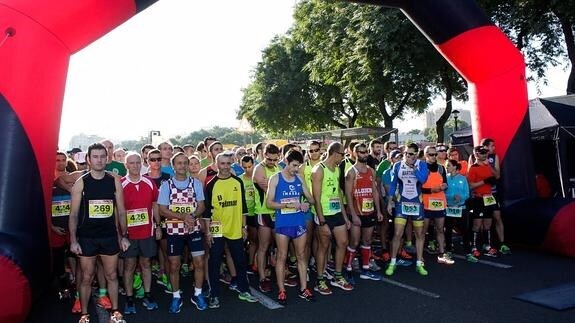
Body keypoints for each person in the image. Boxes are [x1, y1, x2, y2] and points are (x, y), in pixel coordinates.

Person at [68, 143, 129, 323]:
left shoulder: (114, 180)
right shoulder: (81, 182)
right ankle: (84, 314)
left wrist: (123, 235)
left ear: (107, 158)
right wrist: (73, 240)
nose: (99, 160)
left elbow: (121, 211)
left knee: (111, 275)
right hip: (87, 237)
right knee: (87, 277)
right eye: (95, 156)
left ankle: (116, 312)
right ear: (88, 159)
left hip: (109, 236)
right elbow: (73, 214)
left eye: (102, 156)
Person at [203, 152, 258, 308]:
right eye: (222, 163)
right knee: (214, 262)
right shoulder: (211, 184)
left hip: (235, 227)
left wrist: (244, 226)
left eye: (228, 163)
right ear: (217, 164)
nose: (225, 167)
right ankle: (214, 295)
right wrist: (208, 232)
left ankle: (244, 290)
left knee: (240, 261)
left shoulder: (237, 182)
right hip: (217, 228)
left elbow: (243, 207)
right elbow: (207, 212)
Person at [158, 152, 208, 313]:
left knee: (199, 262)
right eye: (178, 163)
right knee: (174, 265)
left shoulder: (196, 183)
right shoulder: (166, 185)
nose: (182, 166)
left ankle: (198, 294)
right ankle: (176, 296)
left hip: (193, 229)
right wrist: (182, 216)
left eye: (185, 163)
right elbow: (162, 210)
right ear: (173, 166)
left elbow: (201, 206)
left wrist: (192, 216)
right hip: (174, 231)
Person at [266, 150, 316, 304]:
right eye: (294, 165)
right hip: (283, 223)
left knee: (301, 256)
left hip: (298, 222)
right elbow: (269, 203)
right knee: (282, 256)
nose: (296, 169)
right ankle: (281, 290)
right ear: (286, 162)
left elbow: (311, 199)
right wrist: (287, 204)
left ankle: (304, 288)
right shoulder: (275, 178)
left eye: (298, 166)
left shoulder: (300, 179)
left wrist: (307, 203)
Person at [120, 152, 161, 314]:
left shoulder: (150, 182)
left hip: (147, 232)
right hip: (129, 234)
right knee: (129, 266)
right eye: (132, 163)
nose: (135, 165)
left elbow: (155, 205)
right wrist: (121, 233)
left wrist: (158, 225)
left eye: (138, 162)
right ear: (126, 165)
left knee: (146, 264)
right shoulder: (121, 184)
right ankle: (129, 298)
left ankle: (148, 294)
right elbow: (118, 210)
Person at [312, 142, 353, 295]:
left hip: (336, 212)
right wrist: (322, 221)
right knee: (323, 246)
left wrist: (344, 216)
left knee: (343, 242)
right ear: (335, 153)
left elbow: (337, 194)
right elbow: (316, 198)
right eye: (343, 154)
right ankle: (320, 279)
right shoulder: (319, 170)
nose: (344, 157)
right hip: (324, 214)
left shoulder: (336, 169)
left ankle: (337, 275)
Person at [385, 143, 429, 276]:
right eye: (405, 153)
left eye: (410, 154)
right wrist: (389, 201)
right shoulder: (397, 165)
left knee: (419, 234)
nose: (407, 156)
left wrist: (413, 168)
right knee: (397, 233)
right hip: (401, 203)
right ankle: (392, 262)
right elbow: (393, 184)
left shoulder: (422, 164)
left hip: (417, 203)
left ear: (416, 154)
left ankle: (419, 263)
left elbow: (423, 180)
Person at [344, 143, 384, 281]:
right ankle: (348, 269)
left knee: (367, 240)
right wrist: (353, 215)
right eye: (361, 152)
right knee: (354, 241)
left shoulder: (371, 171)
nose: (364, 154)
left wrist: (378, 210)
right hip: (356, 212)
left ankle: (366, 269)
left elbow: (374, 191)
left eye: (366, 152)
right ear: (355, 154)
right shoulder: (351, 172)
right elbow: (348, 195)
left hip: (370, 211)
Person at [253, 144, 282, 293]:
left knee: (279, 246)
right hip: (264, 212)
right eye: (268, 159)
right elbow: (271, 191)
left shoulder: (279, 168)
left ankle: (280, 274)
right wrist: (275, 185)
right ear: (263, 155)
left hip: (277, 212)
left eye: (274, 159)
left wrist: (272, 184)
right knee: (263, 246)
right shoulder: (259, 168)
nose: (271, 162)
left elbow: (280, 189)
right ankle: (262, 278)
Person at [421, 146, 453, 266]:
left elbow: (445, 183)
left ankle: (442, 253)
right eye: (431, 154)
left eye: (435, 154)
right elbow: (418, 187)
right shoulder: (421, 168)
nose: (434, 157)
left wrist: (444, 186)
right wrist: (432, 190)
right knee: (423, 231)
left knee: (440, 229)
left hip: (439, 202)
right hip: (425, 203)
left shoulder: (441, 168)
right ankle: (420, 255)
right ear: (425, 155)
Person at [467, 145, 499, 258]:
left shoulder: (487, 166)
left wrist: (490, 166)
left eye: (485, 152)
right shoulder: (473, 168)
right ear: (476, 154)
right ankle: (474, 246)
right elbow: (470, 186)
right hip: (478, 198)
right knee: (477, 224)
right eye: (481, 153)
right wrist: (484, 181)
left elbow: (497, 176)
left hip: (489, 197)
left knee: (488, 223)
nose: (484, 154)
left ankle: (487, 245)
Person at [481, 138, 510, 254]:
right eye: (492, 146)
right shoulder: (474, 157)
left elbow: (497, 175)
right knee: (483, 219)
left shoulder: (494, 157)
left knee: (497, 216)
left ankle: (502, 243)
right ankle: (485, 243)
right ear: (485, 147)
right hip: (480, 194)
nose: (494, 148)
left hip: (492, 193)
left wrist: (488, 166)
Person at [444, 160, 473, 261]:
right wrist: (452, 196)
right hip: (449, 208)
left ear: (455, 167)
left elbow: (467, 194)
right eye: (446, 165)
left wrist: (461, 197)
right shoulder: (445, 178)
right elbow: (442, 193)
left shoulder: (463, 178)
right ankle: (448, 250)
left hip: (461, 208)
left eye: (448, 165)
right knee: (448, 230)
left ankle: (468, 252)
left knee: (464, 230)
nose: (446, 167)